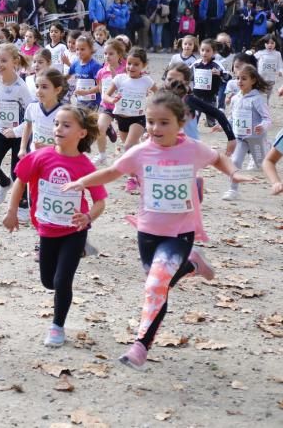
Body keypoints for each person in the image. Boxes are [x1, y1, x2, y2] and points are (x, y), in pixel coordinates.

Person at [62, 90, 251, 369]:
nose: (154, 128)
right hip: (148, 233)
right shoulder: (141, 151)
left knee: (155, 285)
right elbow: (114, 171)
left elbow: (217, 158)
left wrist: (233, 173)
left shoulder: (192, 149)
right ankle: (191, 266)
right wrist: (83, 181)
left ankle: (140, 345)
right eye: (150, 122)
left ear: (181, 121)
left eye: (163, 122)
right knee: (159, 286)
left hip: (180, 233)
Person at [4, 105, 107, 347]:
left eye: (66, 125)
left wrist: (88, 217)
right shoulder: (41, 156)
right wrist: (11, 212)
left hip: (75, 231)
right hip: (48, 229)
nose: (58, 128)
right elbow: (20, 182)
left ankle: (57, 327)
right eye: (57, 124)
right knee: (48, 281)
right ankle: (73, 256)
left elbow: (100, 200)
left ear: (82, 133)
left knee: (62, 281)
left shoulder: (85, 166)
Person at [0, 43, 34, 205]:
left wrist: (17, 131)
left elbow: (31, 115)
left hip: (20, 135)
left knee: (17, 172)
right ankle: (4, 184)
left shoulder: (21, 87)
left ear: (15, 62)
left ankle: (23, 204)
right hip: (0, 131)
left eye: (3, 61)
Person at [103, 47, 156, 192]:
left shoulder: (146, 81)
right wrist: (112, 99)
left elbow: (159, 95)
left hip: (138, 119)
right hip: (121, 118)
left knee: (128, 146)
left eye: (136, 64)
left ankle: (132, 178)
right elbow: (106, 96)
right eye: (129, 63)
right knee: (131, 149)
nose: (131, 67)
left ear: (143, 66)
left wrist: (155, 108)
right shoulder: (120, 78)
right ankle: (142, 167)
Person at [222, 64, 271, 201]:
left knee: (262, 165)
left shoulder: (258, 99)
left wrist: (262, 126)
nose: (239, 81)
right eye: (238, 78)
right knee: (235, 161)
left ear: (253, 80)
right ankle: (233, 190)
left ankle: (268, 146)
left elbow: (267, 119)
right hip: (241, 138)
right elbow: (232, 118)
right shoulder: (235, 98)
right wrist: (222, 126)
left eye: (244, 78)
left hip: (256, 139)